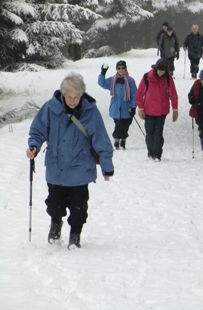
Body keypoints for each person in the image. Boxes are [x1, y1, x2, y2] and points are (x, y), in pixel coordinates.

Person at [26, 72, 114, 249]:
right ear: (63, 94)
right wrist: (34, 146)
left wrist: (107, 166)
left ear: (81, 95)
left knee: (78, 207)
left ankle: (75, 235)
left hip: (80, 168)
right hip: (56, 168)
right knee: (54, 204)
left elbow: (101, 139)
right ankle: (56, 224)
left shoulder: (90, 112)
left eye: (76, 97)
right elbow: (37, 130)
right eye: (69, 97)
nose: (72, 101)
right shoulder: (51, 108)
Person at [136, 58, 178, 161]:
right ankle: (151, 151)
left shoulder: (168, 78)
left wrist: (175, 108)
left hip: (162, 111)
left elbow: (173, 94)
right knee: (150, 132)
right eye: (159, 69)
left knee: (158, 133)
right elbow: (139, 94)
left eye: (163, 70)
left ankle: (157, 154)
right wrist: (140, 108)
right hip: (148, 110)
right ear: (155, 68)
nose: (161, 71)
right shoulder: (147, 77)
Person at [98, 60, 137, 150]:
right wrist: (103, 73)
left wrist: (133, 106)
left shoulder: (130, 81)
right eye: (119, 68)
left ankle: (123, 140)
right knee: (118, 125)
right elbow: (102, 83)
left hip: (127, 107)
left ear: (126, 68)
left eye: (123, 68)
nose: (121, 70)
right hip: (116, 107)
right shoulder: (113, 80)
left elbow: (134, 94)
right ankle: (116, 140)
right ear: (116, 69)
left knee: (126, 125)